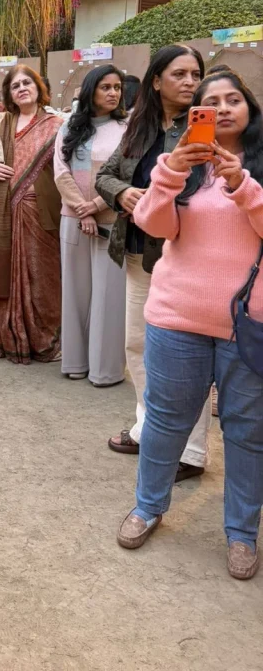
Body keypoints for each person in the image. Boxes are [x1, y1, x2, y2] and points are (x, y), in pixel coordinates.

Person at [117, 71, 263, 580]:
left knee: (247, 431)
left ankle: (242, 532)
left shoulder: (257, 167)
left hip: (249, 324)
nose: (222, 109)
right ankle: (148, 506)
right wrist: (170, 173)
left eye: (233, 99)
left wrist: (241, 185)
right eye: (210, 102)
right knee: (165, 420)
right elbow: (156, 226)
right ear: (195, 114)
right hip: (178, 316)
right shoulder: (178, 163)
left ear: (250, 108)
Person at [96, 44, 211, 480]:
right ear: (157, 81)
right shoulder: (138, 126)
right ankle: (149, 430)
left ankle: (191, 451)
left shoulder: (206, 127)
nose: (190, 82)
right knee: (138, 346)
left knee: (186, 360)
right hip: (137, 252)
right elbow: (106, 175)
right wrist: (123, 193)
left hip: (184, 258)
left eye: (195, 74)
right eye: (179, 74)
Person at [0, 65, 63, 361]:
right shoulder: (1, 122)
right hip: (4, 209)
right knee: (3, 270)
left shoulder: (57, 125)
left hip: (42, 212)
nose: (22, 88)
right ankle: (5, 336)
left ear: (39, 87)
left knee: (43, 274)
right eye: (15, 86)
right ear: (9, 94)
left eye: (27, 83)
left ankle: (43, 339)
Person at [54, 64, 128, 385]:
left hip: (112, 220)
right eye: (106, 87)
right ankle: (74, 362)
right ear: (90, 90)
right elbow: (61, 172)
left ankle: (104, 370)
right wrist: (82, 212)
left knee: (110, 296)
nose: (113, 93)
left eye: (117, 87)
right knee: (75, 292)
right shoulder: (69, 126)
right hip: (73, 220)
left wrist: (96, 206)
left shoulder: (127, 128)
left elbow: (127, 174)